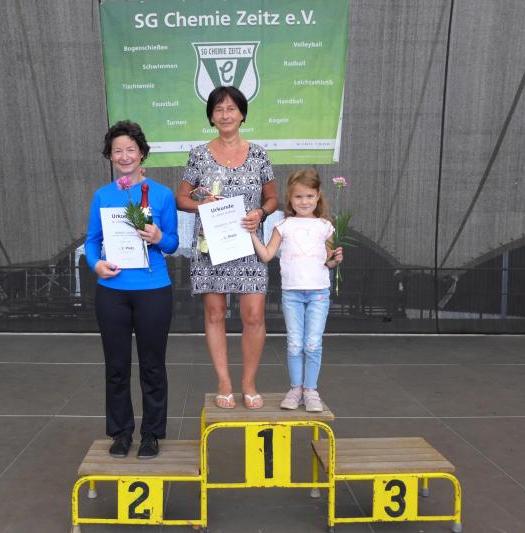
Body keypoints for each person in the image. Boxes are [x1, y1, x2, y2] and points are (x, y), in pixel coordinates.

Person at [175, 86, 278, 410]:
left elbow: (273, 198)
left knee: (254, 315)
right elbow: (181, 198)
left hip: (249, 244)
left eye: (231, 108)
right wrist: (202, 205)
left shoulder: (259, 154)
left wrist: (260, 212)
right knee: (215, 313)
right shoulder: (198, 154)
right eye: (218, 109)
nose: (225, 115)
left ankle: (248, 383)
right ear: (211, 117)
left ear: (242, 114)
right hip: (211, 247)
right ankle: (224, 382)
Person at [85, 120, 179, 459]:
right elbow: (92, 241)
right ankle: (121, 432)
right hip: (112, 290)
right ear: (110, 156)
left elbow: (173, 243)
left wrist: (158, 237)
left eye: (130, 149)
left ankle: (152, 433)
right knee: (116, 365)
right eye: (117, 151)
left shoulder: (162, 195)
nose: (124, 156)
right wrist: (96, 265)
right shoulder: (102, 196)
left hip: (154, 290)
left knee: (153, 365)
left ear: (142, 153)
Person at [247, 169, 343, 412]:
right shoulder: (283, 226)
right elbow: (267, 254)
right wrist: (252, 235)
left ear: (318, 196)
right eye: (298, 196)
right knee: (294, 343)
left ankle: (311, 390)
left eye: (309, 196)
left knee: (313, 344)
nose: (304, 201)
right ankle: (295, 389)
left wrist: (335, 259)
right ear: (290, 198)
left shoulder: (325, 227)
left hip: (318, 293)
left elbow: (329, 262)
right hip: (292, 294)